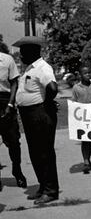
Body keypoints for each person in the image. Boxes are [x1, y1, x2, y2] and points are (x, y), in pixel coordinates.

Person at [13, 36, 59, 205]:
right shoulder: (29, 69)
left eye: (23, 52)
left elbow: (52, 88)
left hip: (40, 114)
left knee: (44, 152)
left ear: (33, 52)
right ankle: (43, 186)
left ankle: (51, 190)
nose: (21, 56)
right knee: (35, 153)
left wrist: (46, 105)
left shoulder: (42, 68)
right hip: (29, 115)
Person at [0, 43, 27, 191]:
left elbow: (14, 83)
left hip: (5, 101)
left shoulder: (7, 60)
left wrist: (10, 105)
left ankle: (17, 171)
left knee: (13, 141)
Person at [72, 66, 91, 174]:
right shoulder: (76, 88)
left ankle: (88, 160)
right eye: (85, 73)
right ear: (80, 75)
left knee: (90, 140)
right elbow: (73, 103)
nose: (87, 75)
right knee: (85, 140)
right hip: (82, 119)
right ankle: (85, 162)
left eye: (89, 73)